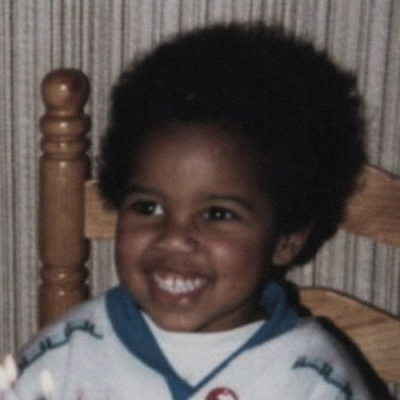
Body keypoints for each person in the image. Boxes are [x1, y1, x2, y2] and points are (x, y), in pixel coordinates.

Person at [14, 22, 383, 400]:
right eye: (148, 207)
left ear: (286, 239)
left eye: (217, 214)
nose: (174, 237)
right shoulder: (68, 351)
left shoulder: (314, 381)